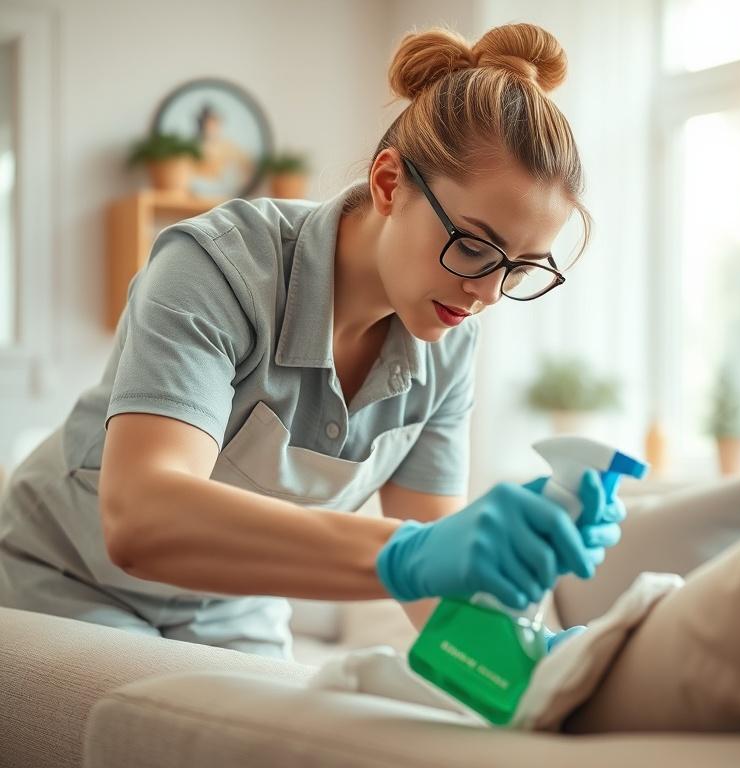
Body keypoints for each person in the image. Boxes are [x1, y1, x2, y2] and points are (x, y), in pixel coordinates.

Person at [0, 22, 622, 661]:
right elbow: (142, 518)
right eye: (472, 245)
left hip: (231, 601)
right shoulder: (217, 268)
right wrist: (405, 553)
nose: (488, 293)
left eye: (519, 268)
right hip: (69, 574)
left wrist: (537, 663)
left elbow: (435, 590)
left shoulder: (449, 345)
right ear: (388, 184)